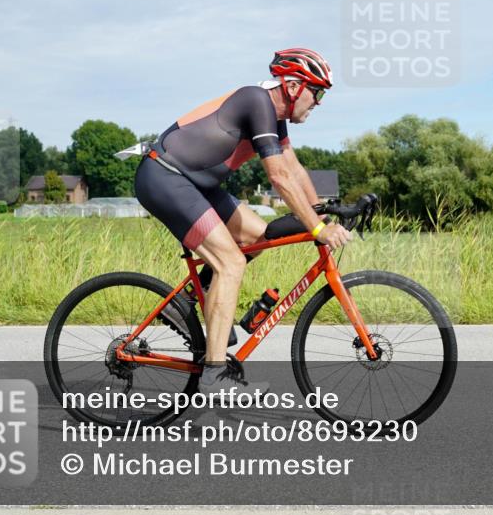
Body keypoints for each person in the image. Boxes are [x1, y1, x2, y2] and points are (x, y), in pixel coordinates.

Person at [133, 48, 353, 392]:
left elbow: (294, 168)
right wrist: (317, 228)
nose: (318, 103)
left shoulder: (275, 117)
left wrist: (321, 213)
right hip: (166, 177)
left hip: (197, 184)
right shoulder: (256, 101)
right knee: (231, 263)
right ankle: (215, 375)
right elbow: (278, 176)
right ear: (293, 87)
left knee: (259, 236)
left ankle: (188, 300)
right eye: (317, 93)